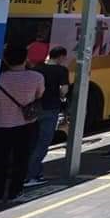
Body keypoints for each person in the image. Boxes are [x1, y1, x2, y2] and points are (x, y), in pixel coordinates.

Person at [0, 45, 45, 203]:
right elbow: (39, 95)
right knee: (21, 159)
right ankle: (15, 192)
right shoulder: (36, 77)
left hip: (1, 125)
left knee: (0, 160)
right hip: (26, 124)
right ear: (26, 58)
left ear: (5, 60)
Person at [25, 46, 69, 186]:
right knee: (43, 142)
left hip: (35, 108)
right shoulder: (61, 70)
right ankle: (31, 175)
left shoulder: (37, 68)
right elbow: (64, 90)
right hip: (51, 108)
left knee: (32, 141)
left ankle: (31, 172)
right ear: (61, 57)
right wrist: (60, 95)